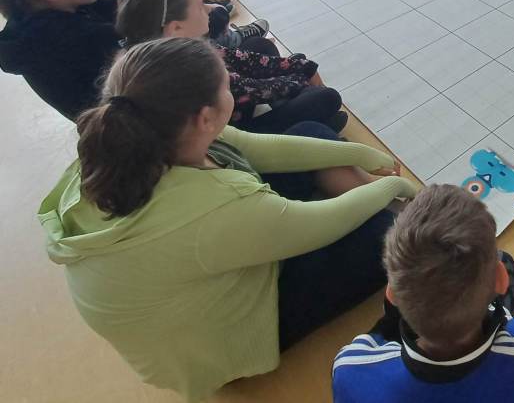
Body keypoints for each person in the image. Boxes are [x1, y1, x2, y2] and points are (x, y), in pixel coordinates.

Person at [38, 37, 416, 401]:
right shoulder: (212, 208)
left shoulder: (132, 143)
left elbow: (263, 149)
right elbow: (320, 223)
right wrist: (390, 187)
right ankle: (387, 211)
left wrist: (360, 154)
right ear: (205, 116)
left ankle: (370, 198)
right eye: (227, 86)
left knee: (311, 135)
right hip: (216, 343)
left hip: (199, 277)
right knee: (380, 237)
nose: (232, 88)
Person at [333, 185, 514, 402]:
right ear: (500, 279)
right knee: (503, 259)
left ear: (391, 294)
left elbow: (375, 339)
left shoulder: (351, 369)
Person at [116, 0, 346, 134]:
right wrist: (301, 77)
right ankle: (305, 123)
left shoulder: (164, 48)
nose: (212, 9)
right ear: (175, 28)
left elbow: (241, 59)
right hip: (232, 136)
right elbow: (253, 89)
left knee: (260, 45)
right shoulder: (188, 72)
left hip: (236, 100)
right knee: (327, 97)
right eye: (201, 6)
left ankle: (307, 116)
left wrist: (301, 66)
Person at [0, 0, 119, 119]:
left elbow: (121, 4)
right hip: (123, 123)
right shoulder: (56, 36)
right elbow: (133, 35)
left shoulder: (62, 7)